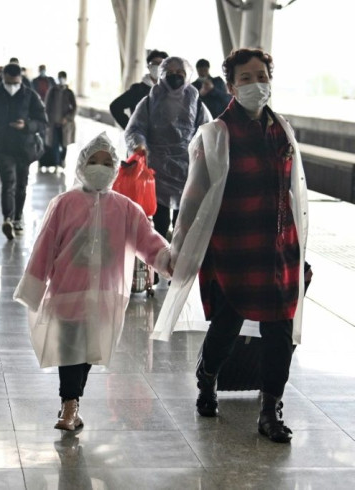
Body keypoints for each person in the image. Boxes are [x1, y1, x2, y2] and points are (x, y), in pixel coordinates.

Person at [152, 49, 310, 444]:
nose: (256, 83)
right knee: (227, 324)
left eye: (262, 75)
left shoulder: (282, 130)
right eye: (246, 77)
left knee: (280, 332)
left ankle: (270, 408)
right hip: (235, 248)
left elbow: (295, 195)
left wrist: (303, 251)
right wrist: (179, 246)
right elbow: (193, 198)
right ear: (231, 86)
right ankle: (207, 378)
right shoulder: (216, 135)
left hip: (279, 248)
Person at [14, 132, 171, 431]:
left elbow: (147, 241)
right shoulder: (64, 204)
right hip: (67, 292)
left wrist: (167, 258)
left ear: (115, 168)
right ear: (82, 165)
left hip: (103, 295)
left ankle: (73, 402)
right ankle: (69, 406)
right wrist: (34, 287)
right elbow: (45, 246)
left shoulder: (126, 209)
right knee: (71, 347)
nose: (99, 167)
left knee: (86, 350)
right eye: (93, 161)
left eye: (107, 162)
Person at [125, 56, 212, 248]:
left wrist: (204, 156)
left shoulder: (195, 101)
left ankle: (177, 269)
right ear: (162, 75)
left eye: (180, 73)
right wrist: (140, 145)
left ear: (187, 75)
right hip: (157, 171)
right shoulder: (150, 100)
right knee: (160, 221)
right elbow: (135, 129)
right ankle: (157, 263)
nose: (175, 77)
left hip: (187, 171)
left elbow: (207, 131)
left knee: (184, 222)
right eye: (170, 73)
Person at [0, 63, 48, 240]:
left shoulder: (30, 96)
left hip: (25, 147)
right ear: (3, 79)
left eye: (15, 82)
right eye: (9, 82)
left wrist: (27, 126)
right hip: (2, 147)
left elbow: (42, 121)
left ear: (21, 80)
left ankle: (17, 219)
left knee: (21, 185)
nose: (12, 86)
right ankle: (7, 218)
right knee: (8, 182)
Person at [109, 49, 168, 129]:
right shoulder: (137, 90)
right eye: (154, 63)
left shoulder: (171, 90)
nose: (158, 66)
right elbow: (115, 107)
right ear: (148, 67)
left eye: (161, 64)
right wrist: (130, 129)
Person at [44, 71, 77, 168]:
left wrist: (67, 118)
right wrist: (48, 119)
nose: (61, 79)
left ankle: (62, 160)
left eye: (63, 78)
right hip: (53, 123)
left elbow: (74, 107)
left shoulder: (69, 92)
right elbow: (47, 106)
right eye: (60, 78)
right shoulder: (52, 91)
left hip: (65, 124)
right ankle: (56, 162)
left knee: (64, 143)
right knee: (54, 143)